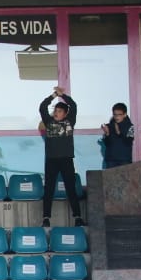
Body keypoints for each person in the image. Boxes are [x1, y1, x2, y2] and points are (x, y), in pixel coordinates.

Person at [38, 87, 84, 227]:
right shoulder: (49, 122)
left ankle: (77, 217)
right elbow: (42, 106)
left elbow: (74, 105)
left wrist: (62, 95)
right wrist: (53, 95)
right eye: (55, 111)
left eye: (59, 111)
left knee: (70, 188)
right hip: (52, 160)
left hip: (66, 159)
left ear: (65, 114)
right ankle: (46, 218)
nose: (56, 113)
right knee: (49, 189)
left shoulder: (70, 122)